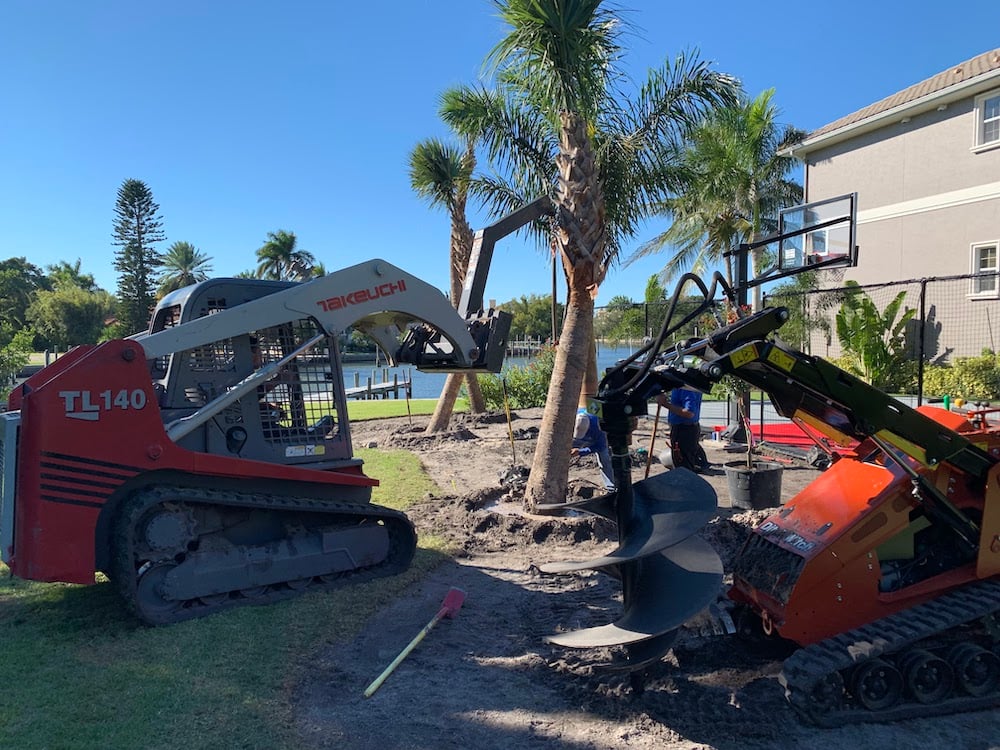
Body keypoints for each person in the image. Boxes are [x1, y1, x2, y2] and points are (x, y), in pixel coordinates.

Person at [656, 386, 709, 473]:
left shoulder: (686, 388)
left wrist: (665, 404)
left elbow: (689, 413)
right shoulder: (682, 386)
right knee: (684, 463)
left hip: (684, 430)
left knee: (684, 467)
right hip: (686, 429)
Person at [572, 409, 615, 491]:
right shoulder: (573, 416)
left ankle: (610, 487)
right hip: (577, 435)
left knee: (604, 458)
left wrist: (581, 452)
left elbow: (600, 447)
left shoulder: (599, 427)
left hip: (597, 437)